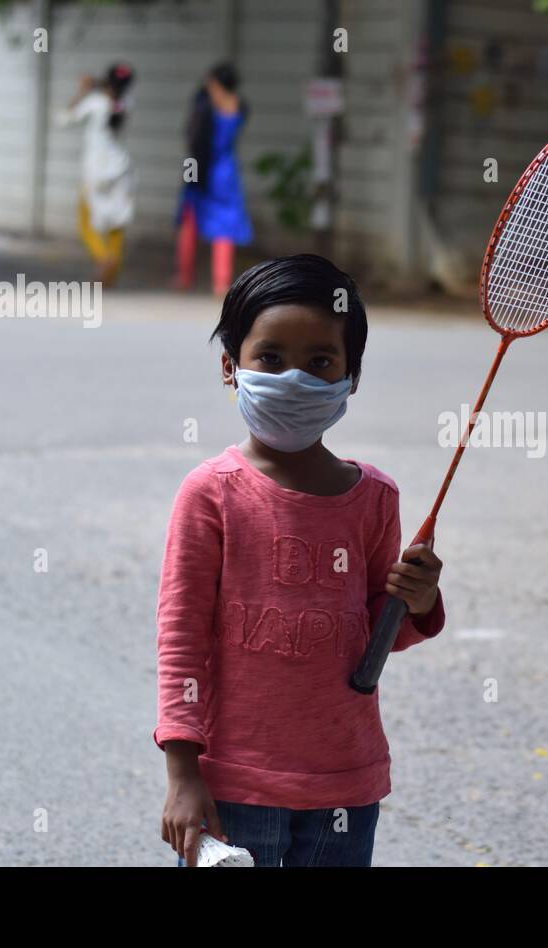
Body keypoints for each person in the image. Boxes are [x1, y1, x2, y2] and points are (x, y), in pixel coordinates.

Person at [155, 255, 446, 867]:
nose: (295, 378)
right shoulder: (210, 494)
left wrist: (416, 602)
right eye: (270, 358)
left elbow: (371, 632)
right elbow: (180, 641)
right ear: (231, 367)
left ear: (351, 377)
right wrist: (183, 773)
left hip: (345, 783)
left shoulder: (375, 498)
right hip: (234, 786)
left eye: (320, 362)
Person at [174, 63, 254, 296]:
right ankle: (221, 282)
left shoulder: (205, 106)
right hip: (228, 171)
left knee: (189, 219)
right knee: (225, 226)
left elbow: (192, 137)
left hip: (203, 168)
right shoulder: (240, 106)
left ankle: (184, 275)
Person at [56, 63, 136, 286]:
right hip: (120, 168)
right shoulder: (126, 103)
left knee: (85, 220)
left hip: (96, 170)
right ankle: (112, 274)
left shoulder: (95, 103)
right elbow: (114, 91)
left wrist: (82, 90)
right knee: (117, 221)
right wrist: (99, 84)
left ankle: (102, 258)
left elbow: (63, 119)